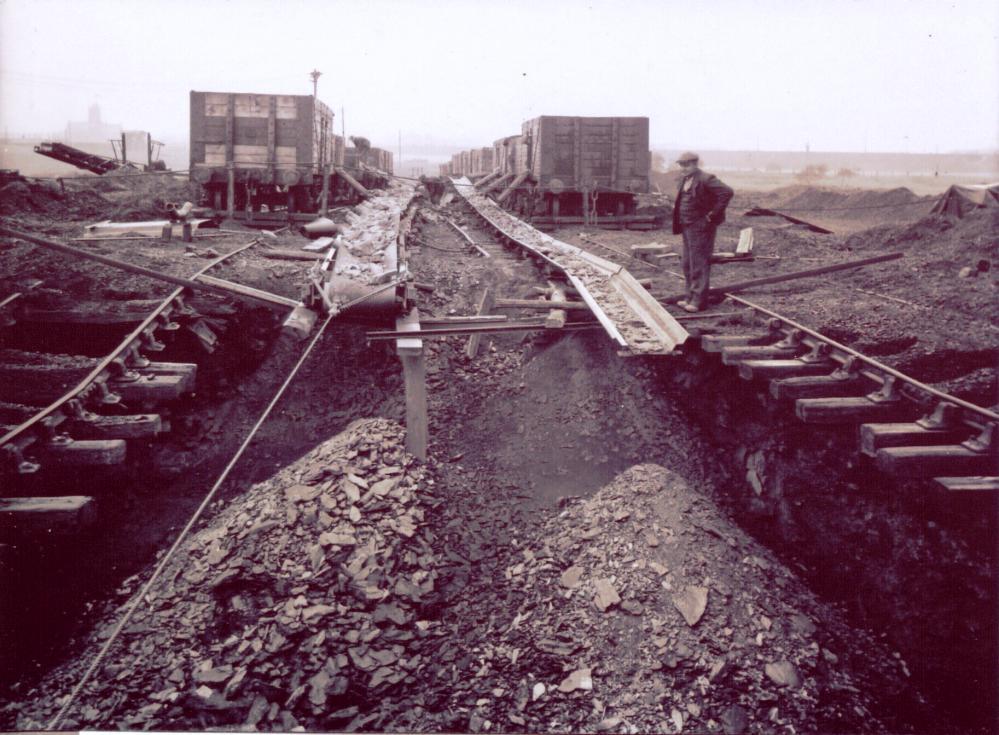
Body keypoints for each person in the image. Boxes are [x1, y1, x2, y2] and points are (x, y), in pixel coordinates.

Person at [671, 151, 734, 312]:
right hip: (687, 226)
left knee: (699, 263)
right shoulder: (685, 179)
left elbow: (727, 192)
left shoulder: (707, 179)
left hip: (701, 228)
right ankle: (689, 297)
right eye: (681, 165)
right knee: (687, 263)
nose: (683, 168)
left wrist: (712, 215)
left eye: (686, 165)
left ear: (695, 164)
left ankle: (699, 301)